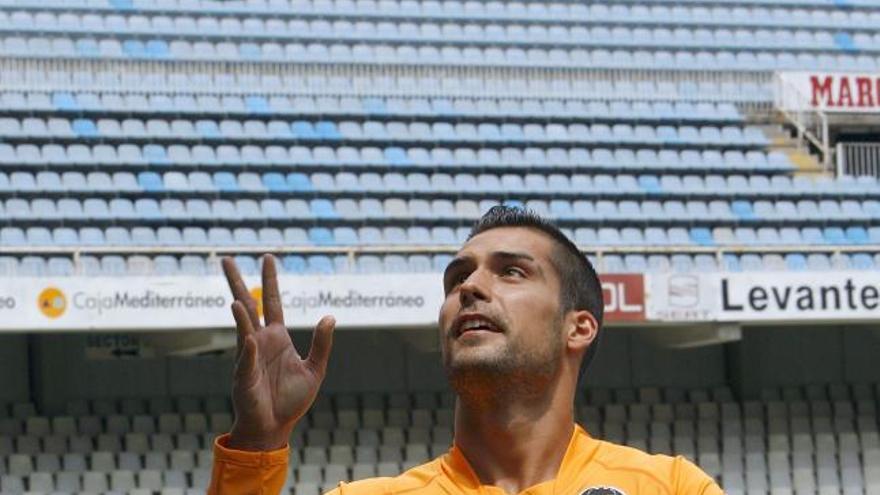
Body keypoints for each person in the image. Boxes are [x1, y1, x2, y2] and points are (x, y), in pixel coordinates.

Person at [208, 206, 723, 495]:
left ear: (579, 327)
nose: (470, 287)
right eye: (458, 277)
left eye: (512, 271)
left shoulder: (671, 487)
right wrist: (257, 443)